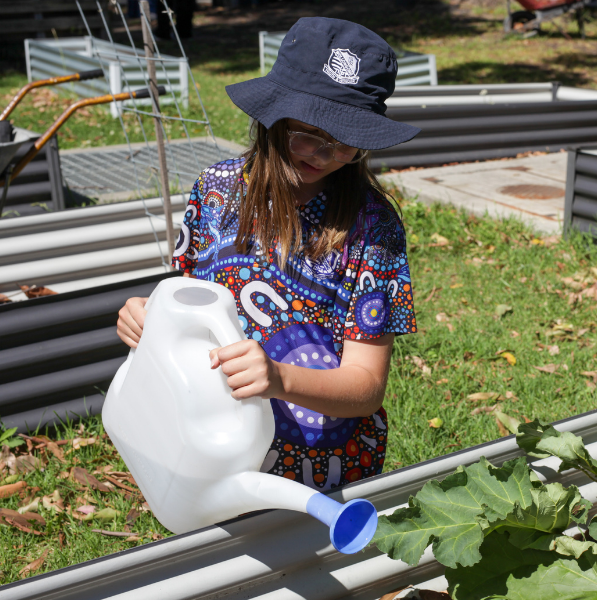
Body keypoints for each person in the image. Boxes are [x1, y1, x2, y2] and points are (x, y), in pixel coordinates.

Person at [116, 17, 419, 491]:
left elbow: (366, 387)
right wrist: (147, 316)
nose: (323, 153)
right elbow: (185, 302)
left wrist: (279, 378)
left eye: (346, 143)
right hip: (209, 440)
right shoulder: (215, 190)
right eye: (308, 133)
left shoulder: (372, 226)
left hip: (322, 460)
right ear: (272, 116)